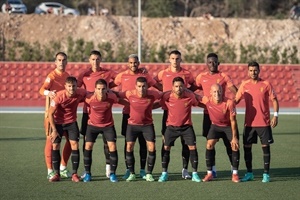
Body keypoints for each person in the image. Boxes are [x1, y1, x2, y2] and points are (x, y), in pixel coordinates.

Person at [111, 54, 161, 180]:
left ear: (139, 63)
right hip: (128, 114)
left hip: (144, 114)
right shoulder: (122, 75)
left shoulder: (145, 75)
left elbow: (157, 87)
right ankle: (129, 169)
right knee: (128, 143)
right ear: (128, 63)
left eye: (135, 62)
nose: (133, 65)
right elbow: (112, 87)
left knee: (144, 143)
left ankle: (143, 170)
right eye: (131, 62)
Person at [154, 49, 197, 179]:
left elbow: (194, 86)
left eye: (177, 59)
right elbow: (154, 82)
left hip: (182, 110)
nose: (175, 61)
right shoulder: (163, 73)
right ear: (169, 59)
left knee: (186, 143)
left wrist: (186, 93)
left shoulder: (186, 74)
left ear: (180, 59)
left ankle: (185, 169)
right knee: (166, 143)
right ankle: (164, 171)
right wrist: (164, 93)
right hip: (168, 111)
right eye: (172, 58)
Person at [195, 52, 238, 178]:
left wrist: (233, 104)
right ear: (206, 64)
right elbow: (193, 90)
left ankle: (233, 168)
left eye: (214, 62)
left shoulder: (224, 76)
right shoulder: (201, 77)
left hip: (224, 116)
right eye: (209, 62)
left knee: (229, 144)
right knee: (210, 143)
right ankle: (212, 170)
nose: (212, 64)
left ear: (218, 63)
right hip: (208, 115)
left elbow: (236, 91)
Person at [235, 61, 279, 183]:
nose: (253, 72)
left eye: (255, 70)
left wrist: (275, 116)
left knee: (265, 148)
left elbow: (274, 100)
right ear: (247, 71)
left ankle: (266, 174)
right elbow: (236, 100)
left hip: (264, 123)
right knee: (247, 148)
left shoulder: (266, 84)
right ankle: (249, 173)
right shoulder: (244, 85)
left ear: (259, 71)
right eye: (251, 70)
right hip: (249, 124)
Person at [77, 50, 116, 178]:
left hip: (104, 112)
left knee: (107, 142)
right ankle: (86, 170)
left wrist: (109, 88)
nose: (95, 61)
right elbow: (75, 88)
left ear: (101, 60)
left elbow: (121, 78)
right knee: (86, 142)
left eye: (97, 59)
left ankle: (108, 167)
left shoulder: (107, 73)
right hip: (87, 112)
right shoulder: (84, 74)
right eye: (93, 59)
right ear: (89, 60)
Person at [158, 77, 203, 182]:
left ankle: (194, 173)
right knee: (166, 148)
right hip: (171, 127)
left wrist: (210, 107)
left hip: (186, 127)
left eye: (181, 86)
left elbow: (198, 103)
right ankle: (164, 173)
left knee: (192, 147)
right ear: (172, 87)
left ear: (184, 87)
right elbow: (159, 104)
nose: (179, 88)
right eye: (176, 86)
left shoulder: (190, 96)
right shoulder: (166, 96)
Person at [82, 79, 128, 183]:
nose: (101, 91)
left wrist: (133, 106)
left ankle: (112, 174)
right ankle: (88, 173)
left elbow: (122, 102)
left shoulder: (111, 98)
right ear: (95, 90)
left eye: (103, 89)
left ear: (107, 89)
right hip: (92, 126)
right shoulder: (89, 99)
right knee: (88, 146)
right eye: (98, 89)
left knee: (112, 146)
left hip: (108, 125)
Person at [120, 77, 162, 182]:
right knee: (129, 147)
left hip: (147, 125)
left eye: (144, 86)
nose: (141, 88)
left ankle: (148, 173)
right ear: (135, 86)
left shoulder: (153, 94)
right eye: (139, 86)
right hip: (132, 125)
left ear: (147, 86)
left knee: (151, 147)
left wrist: (152, 106)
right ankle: (132, 173)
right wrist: (128, 104)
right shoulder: (130, 93)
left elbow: (165, 97)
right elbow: (116, 96)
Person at [39, 52, 72, 180]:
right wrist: (49, 92)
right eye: (59, 60)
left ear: (67, 61)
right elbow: (41, 90)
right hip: (52, 115)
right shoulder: (51, 76)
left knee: (71, 141)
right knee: (51, 140)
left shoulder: (67, 76)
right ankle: (50, 170)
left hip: (66, 116)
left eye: (64, 60)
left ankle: (63, 167)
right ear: (55, 62)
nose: (61, 62)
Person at [47, 76, 86, 182]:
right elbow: (50, 113)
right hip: (58, 124)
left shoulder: (80, 93)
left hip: (71, 123)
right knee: (55, 145)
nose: (72, 88)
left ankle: (74, 174)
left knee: (75, 145)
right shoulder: (59, 96)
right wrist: (54, 130)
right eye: (69, 86)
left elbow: (91, 94)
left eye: (74, 86)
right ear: (65, 86)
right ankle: (56, 174)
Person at [201, 84, 240, 183]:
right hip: (215, 126)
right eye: (214, 92)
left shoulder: (229, 103)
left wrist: (234, 137)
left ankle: (235, 174)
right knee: (209, 144)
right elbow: (195, 97)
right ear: (210, 93)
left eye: (219, 91)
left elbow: (233, 121)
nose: (217, 94)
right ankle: (210, 173)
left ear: (222, 92)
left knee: (234, 146)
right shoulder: (207, 100)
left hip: (228, 126)